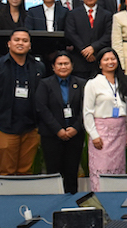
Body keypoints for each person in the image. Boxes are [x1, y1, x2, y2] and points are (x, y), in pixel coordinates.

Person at [0, 29, 44, 175]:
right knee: (7, 171)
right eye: (17, 40)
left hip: (31, 127)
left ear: (30, 45)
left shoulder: (38, 67)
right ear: (9, 43)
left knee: (26, 171)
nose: (20, 43)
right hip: (6, 126)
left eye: (25, 41)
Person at [83, 48, 127, 192]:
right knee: (101, 168)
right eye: (106, 59)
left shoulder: (123, 82)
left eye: (113, 59)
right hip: (101, 131)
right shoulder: (93, 84)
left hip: (120, 131)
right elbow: (87, 112)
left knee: (118, 168)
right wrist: (94, 135)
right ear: (99, 64)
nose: (110, 62)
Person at [35, 51, 86, 193]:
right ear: (53, 67)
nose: (63, 67)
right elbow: (42, 108)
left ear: (72, 65)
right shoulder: (45, 84)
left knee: (72, 172)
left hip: (75, 135)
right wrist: (58, 129)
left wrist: (76, 128)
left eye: (66, 63)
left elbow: (86, 109)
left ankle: (72, 201)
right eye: (60, 64)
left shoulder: (81, 84)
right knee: (54, 172)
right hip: (52, 135)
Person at [64, 0, 114, 79]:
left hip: (99, 58)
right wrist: (84, 50)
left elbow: (108, 34)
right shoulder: (73, 14)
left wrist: (93, 48)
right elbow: (71, 33)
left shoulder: (106, 14)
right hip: (79, 60)